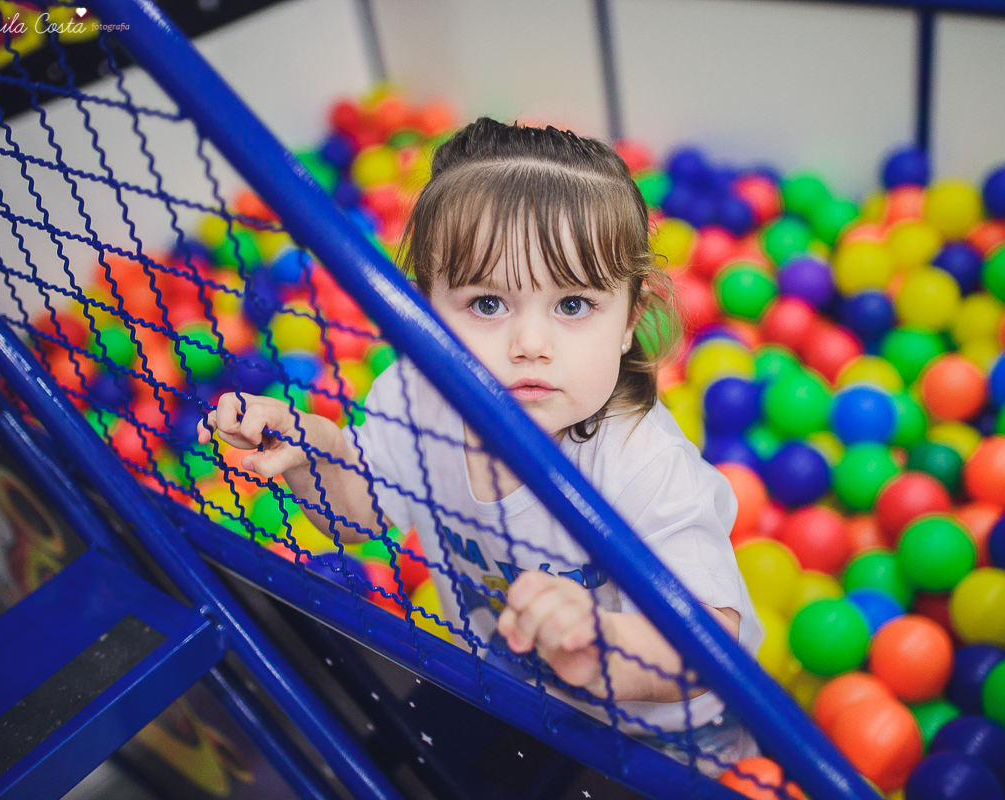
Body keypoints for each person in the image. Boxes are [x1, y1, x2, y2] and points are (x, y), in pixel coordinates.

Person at [199, 117, 763, 774]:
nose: (530, 342)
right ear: (428, 308)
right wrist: (313, 448)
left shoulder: (641, 459)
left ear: (631, 321)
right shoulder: (417, 396)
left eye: (574, 304)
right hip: (514, 695)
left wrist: (607, 648)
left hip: (663, 737)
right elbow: (361, 514)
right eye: (488, 303)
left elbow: (710, 644)